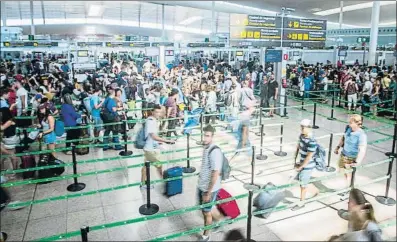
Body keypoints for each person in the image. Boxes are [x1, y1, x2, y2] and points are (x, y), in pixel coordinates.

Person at [197, 125, 224, 242]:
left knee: (206, 212)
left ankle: (206, 236)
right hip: (202, 185)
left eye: (208, 136)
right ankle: (219, 221)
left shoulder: (214, 151)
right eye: (204, 135)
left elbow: (215, 172)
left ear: (212, 137)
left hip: (209, 189)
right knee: (208, 209)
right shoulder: (206, 147)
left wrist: (208, 192)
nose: (205, 138)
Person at [141, 104, 174, 189]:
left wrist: (158, 143)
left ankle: (143, 183)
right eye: (156, 112)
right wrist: (167, 140)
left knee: (145, 166)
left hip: (148, 147)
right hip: (150, 149)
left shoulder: (151, 120)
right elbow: (153, 136)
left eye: (159, 112)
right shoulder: (151, 121)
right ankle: (165, 182)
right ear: (152, 111)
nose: (158, 114)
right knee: (159, 165)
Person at [334, 114, 367, 200]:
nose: (349, 124)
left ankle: (350, 191)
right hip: (343, 154)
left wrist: (357, 161)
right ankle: (349, 186)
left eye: (351, 122)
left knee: (349, 175)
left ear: (357, 123)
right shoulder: (348, 128)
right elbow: (343, 138)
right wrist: (338, 147)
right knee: (342, 170)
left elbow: (362, 149)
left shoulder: (361, 135)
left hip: (351, 158)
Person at [292, 119, 319, 211]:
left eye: (304, 127)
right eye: (301, 126)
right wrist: (295, 160)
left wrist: (301, 166)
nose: (302, 129)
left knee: (302, 184)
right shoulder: (302, 136)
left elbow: (309, 156)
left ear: (309, 128)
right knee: (301, 181)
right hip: (302, 162)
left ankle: (302, 202)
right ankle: (315, 191)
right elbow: (298, 147)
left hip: (308, 165)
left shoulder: (312, 140)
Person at [102, 86, 123, 151]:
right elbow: (113, 109)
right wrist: (120, 108)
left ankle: (105, 146)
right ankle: (117, 146)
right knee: (115, 131)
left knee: (107, 131)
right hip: (113, 118)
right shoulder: (111, 100)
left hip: (106, 118)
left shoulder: (107, 99)